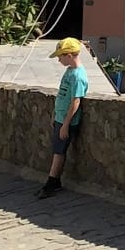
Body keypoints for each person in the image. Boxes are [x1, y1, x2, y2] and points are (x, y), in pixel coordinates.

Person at [38, 39, 88, 198]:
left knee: (59, 151)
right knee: (56, 149)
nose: (59, 60)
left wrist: (66, 124)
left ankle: (52, 182)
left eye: (60, 57)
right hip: (60, 117)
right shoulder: (69, 71)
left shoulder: (78, 76)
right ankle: (53, 182)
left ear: (68, 55)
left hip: (67, 121)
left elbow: (76, 101)